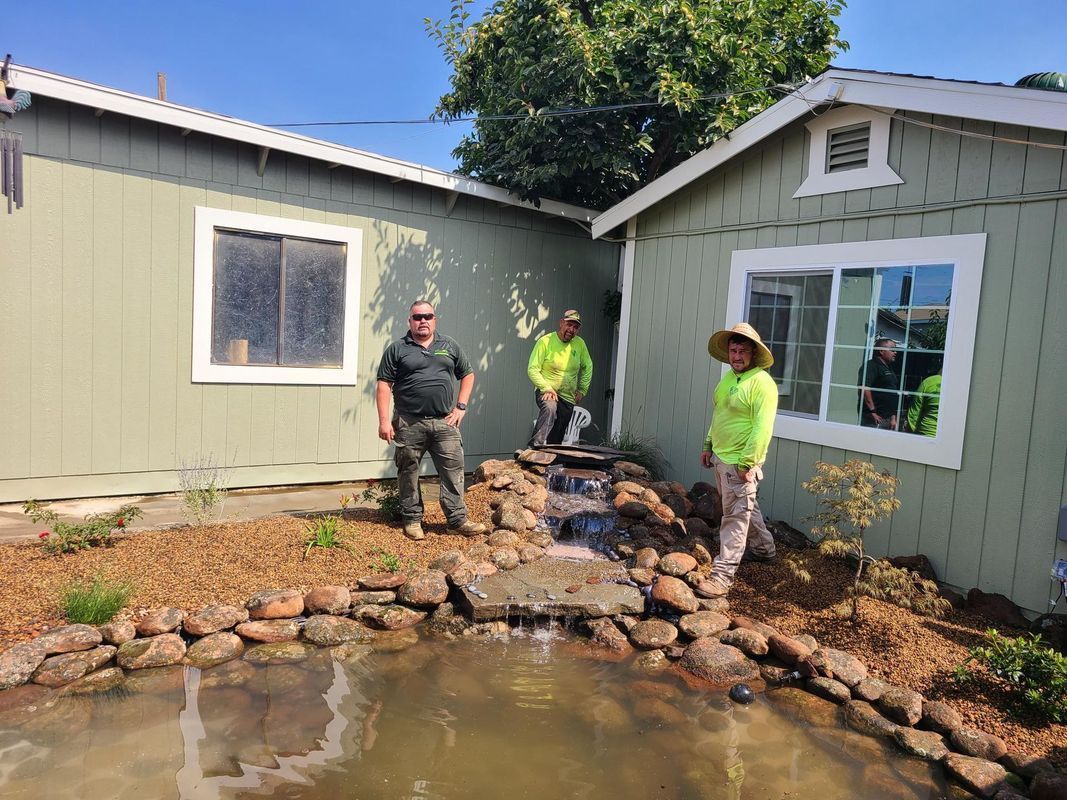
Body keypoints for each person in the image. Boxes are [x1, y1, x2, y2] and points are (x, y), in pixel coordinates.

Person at [375, 300, 487, 540]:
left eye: (428, 316)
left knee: (453, 471)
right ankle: (413, 520)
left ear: (435, 319)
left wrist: (461, 407)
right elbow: (384, 385)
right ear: (410, 321)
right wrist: (384, 421)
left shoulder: (449, 346)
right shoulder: (397, 349)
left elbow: (467, 374)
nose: (422, 321)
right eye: (417, 317)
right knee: (409, 472)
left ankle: (457, 521)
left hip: (445, 423)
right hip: (408, 422)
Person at [697, 323, 779, 598]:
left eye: (743, 350)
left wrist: (748, 462)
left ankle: (722, 577)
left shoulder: (762, 384)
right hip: (722, 458)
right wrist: (708, 444)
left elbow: (762, 428)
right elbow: (719, 415)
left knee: (733, 518)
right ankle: (765, 551)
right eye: (733, 350)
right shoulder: (728, 380)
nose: (737, 355)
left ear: (754, 354)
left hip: (740, 464)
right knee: (745, 507)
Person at [527, 309, 593, 446]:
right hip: (547, 391)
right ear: (561, 323)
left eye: (575, 327)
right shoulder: (545, 341)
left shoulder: (580, 344)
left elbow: (588, 367)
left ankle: (553, 461)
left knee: (558, 433)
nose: (571, 329)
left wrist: (582, 390)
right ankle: (534, 448)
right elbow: (532, 369)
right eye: (569, 324)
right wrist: (546, 388)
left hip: (568, 396)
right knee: (550, 408)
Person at [858, 338, 901, 430]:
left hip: (888, 418)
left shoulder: (889, 368)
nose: (895, 352)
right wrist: (872, 411)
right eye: (892, 350)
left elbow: (892, 392)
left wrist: (893, 417)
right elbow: (864, 388)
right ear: (881, 351)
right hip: (875, 418)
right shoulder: (871, 366)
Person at [905, 371, 941, 436]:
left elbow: (914, 413)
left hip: (926, 434)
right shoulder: (960, 387)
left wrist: (911, 434)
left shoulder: (928, 382)